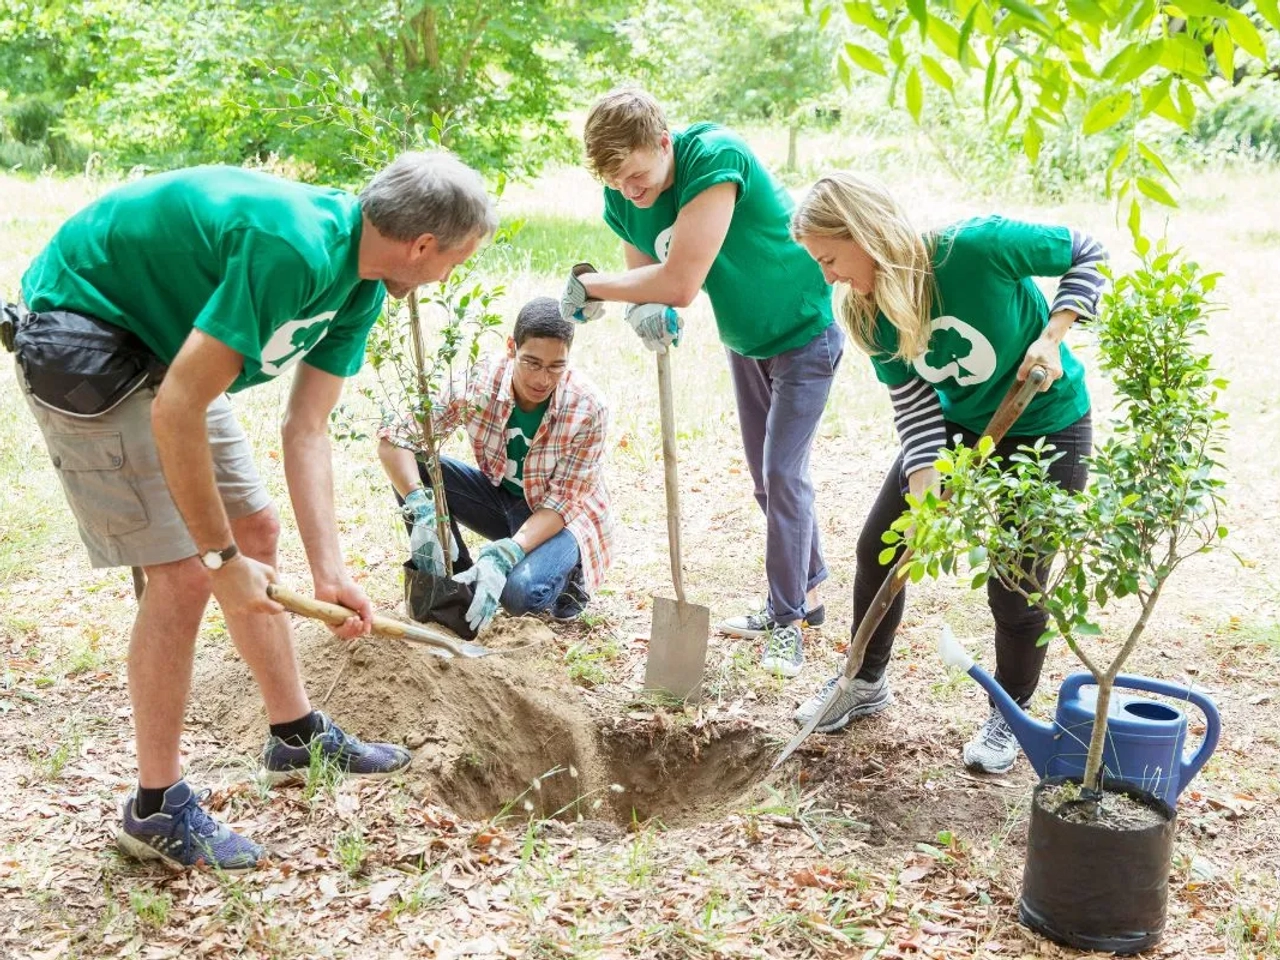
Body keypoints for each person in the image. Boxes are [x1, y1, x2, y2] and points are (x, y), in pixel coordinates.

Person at [9, 152, 497, 869]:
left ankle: (295, 735)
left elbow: (307, 428)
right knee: (183, 574)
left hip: (171, 349)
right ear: (422, 246)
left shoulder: (360, 283)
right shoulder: (292, 248)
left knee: (255, 530)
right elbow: (179, 406)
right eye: (455, 261)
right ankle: (154, 807)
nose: (448, 275)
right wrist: (219, 562)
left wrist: (329, 574)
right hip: (90, 334)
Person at [788, 170, 1108, 774]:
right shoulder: (867, 311)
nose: (828, 276)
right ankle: (863, 681)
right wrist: (924, 480)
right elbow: (912, 404)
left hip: (1048, 422)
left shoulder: (977, 248)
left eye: (830, 258)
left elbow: (1086, 251)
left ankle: (1009, 713)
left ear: (864, 233)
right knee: (879, 547)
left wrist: (1052, 335)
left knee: (1016, 585)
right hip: (959, 428)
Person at [559, 87, 840, 678]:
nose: (630, 191)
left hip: (804, 331)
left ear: (664, 141)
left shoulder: (715, 157)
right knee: (770, 484)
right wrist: (643, 313)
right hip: (746, 341)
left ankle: (786, 620)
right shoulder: (626, 198)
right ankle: (809, 593)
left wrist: (596, 287)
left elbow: (680, 283)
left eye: (636, 175)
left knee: (784, 476)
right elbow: (648, 281)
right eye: (616, 183)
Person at [378, 297, 613, 631]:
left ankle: (568, 577)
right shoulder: (479, 381)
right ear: (511, 347)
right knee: (416, 466)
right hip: (501, 498)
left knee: (519, 595)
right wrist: (419, 503)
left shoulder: (588, 408)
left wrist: (506, 554)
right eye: (531, 362)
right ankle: (458, 580)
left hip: (561, 520)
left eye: (555, 367)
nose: (542, 379)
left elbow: (562, 504)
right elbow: (395, 435)